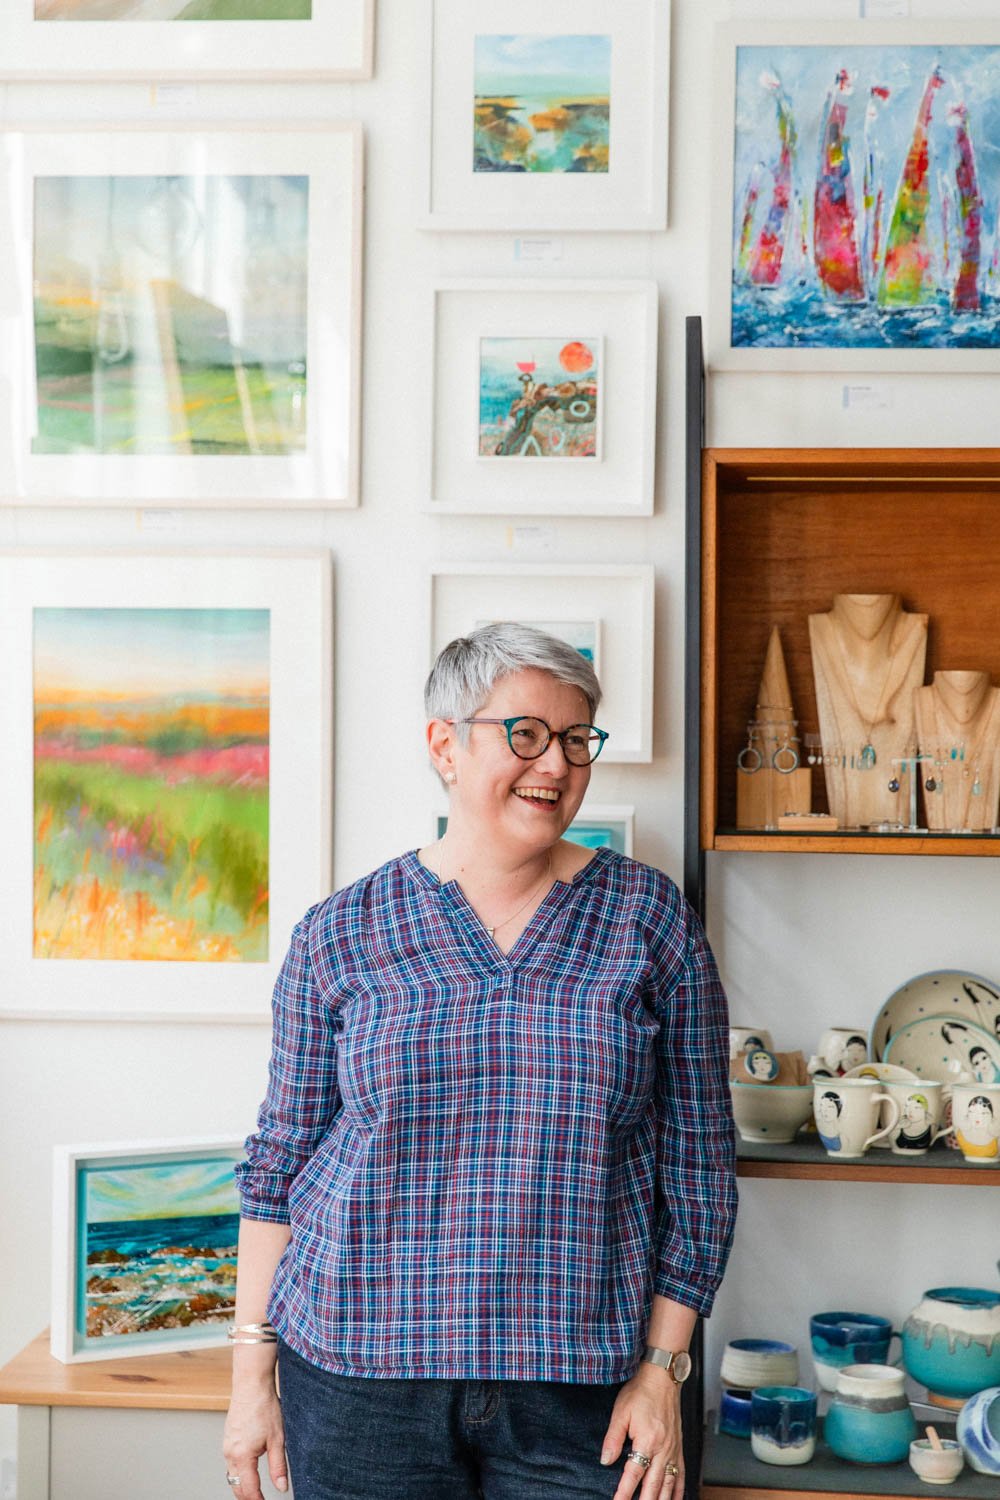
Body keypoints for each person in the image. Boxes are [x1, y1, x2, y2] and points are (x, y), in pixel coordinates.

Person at [223, 623, 738, 1500]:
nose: (557, 765)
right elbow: (280, 1163)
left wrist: (665, 1369)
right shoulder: (340, 932)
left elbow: (701, 1166)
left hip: (583, 1391)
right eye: (526, 734)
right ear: (445, 746)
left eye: (577, 741)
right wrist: (249, 1379)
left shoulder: (649, 923)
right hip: (357, 1379)